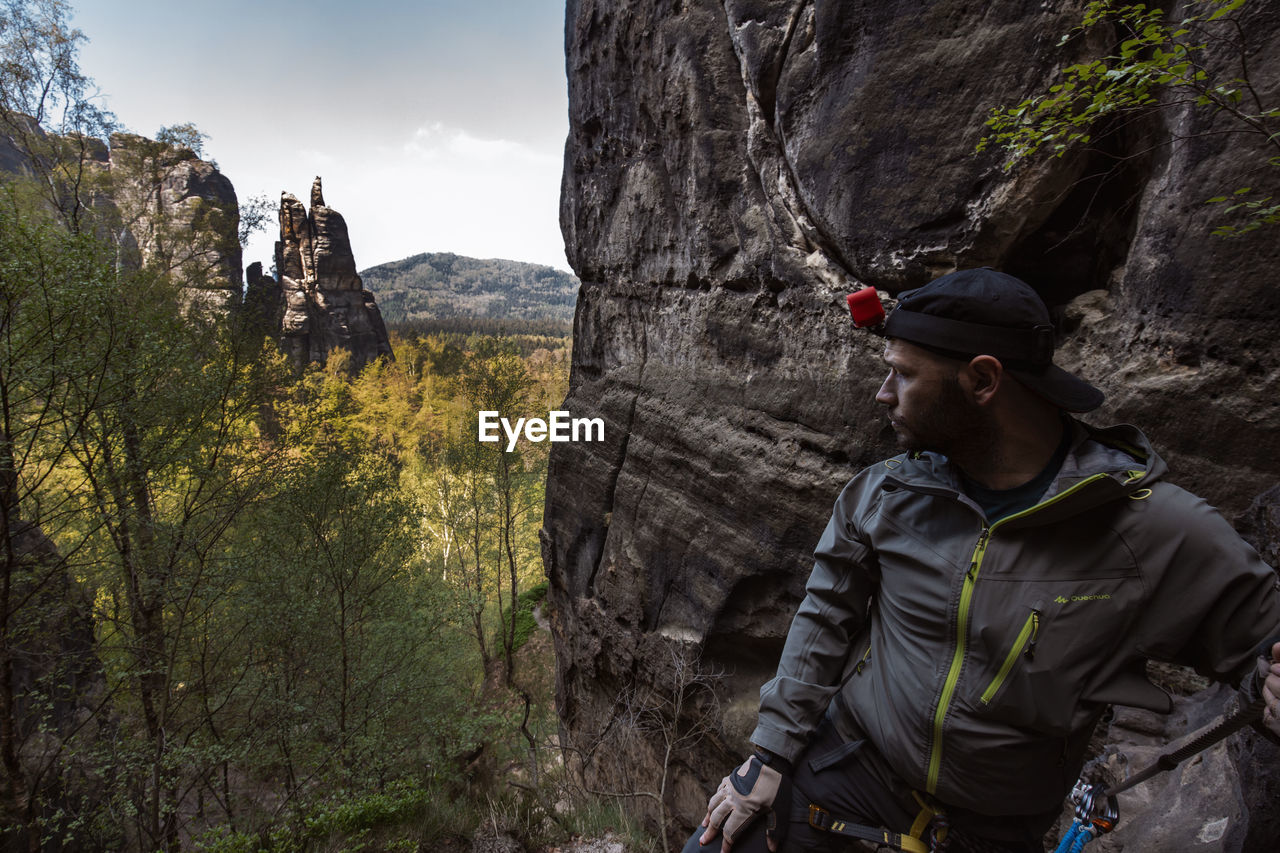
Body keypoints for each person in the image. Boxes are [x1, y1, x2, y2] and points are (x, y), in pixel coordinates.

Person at [685, 268, 1280, 853]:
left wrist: (1268, 682)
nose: (882, 394)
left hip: (986, 832)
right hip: (842, 777)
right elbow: (824, 617)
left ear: (983, 380)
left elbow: (1259, 643)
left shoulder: (1151, 530)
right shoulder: (886, 494)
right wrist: (769, 755)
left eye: (902, 375)